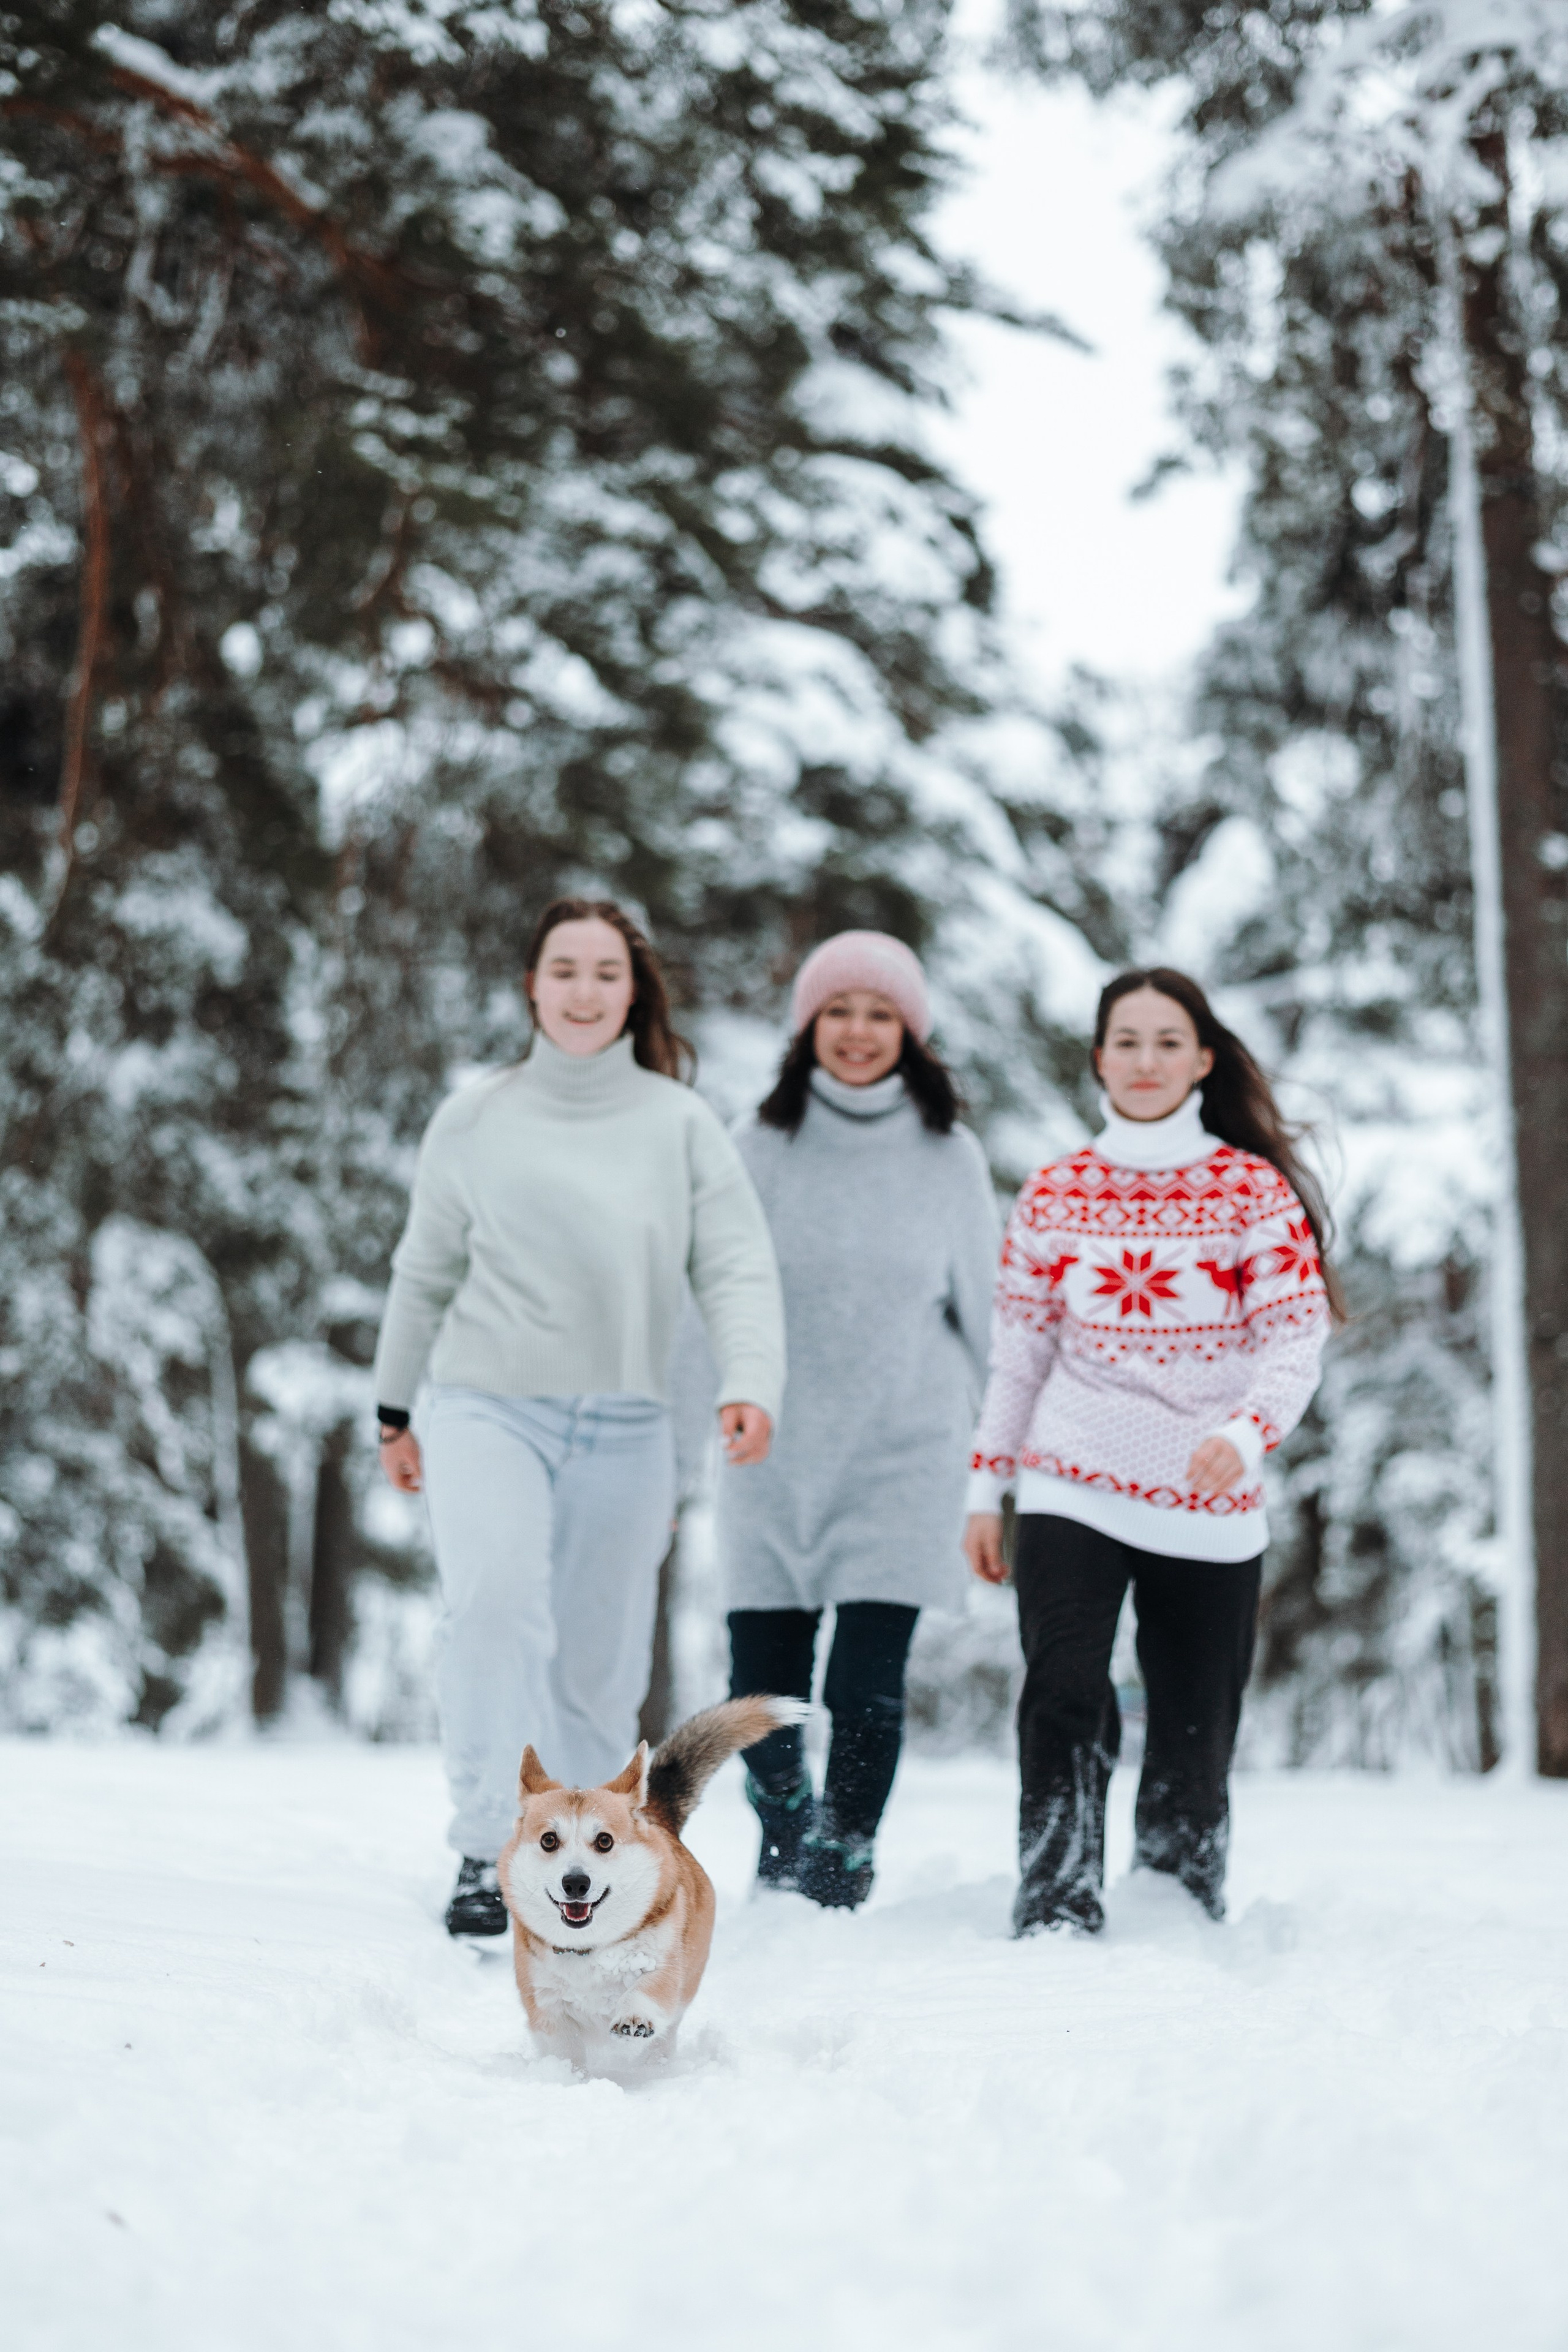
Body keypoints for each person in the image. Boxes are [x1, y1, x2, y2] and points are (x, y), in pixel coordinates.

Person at [373, 899, 785, 1938]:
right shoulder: (475, 1116)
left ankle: (589, 1864)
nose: (585, 991)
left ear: (634, 989)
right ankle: (483, 1846)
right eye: (565, 969)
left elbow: (734, 1262)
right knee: (496, 1602)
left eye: (607, 972)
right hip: (483, 1406)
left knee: (598, 1668)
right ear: (532, 984)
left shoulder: (678, 1122)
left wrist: (750, 1382)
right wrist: (393, 1406)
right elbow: (423, 1269)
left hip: (627, 1420)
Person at [964, 968, 1336, 1935]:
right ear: (1098, 1059)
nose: (1145, 1060)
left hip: (1208, 1494)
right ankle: (1055, 1899)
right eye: (1126, 1040)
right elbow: (1019, 1355)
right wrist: (985, 1485)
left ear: (1203, 1060)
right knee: (1064, 1691)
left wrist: (1244, 1432)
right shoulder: (1054, 1191)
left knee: (1194, 1722)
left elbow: (1295, 1336)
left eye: (1167, 1041)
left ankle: (1175, 1895)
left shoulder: (1251, 1191)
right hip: (1070, 1477)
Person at [720, 932, 999, 1909]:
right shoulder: (756, 1147)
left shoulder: (948, 1155)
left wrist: (999, 1462)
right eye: (840, 1011)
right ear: (810, 1026)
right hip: (771, 1452)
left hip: (904, 1446)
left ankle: (842, 1853)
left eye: (880, 1014)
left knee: (866, 1678)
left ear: (910, 1033)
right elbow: (707, 1292)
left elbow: (988, 1315)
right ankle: (786, 1821)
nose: (858, 1031)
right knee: (760, 1692)